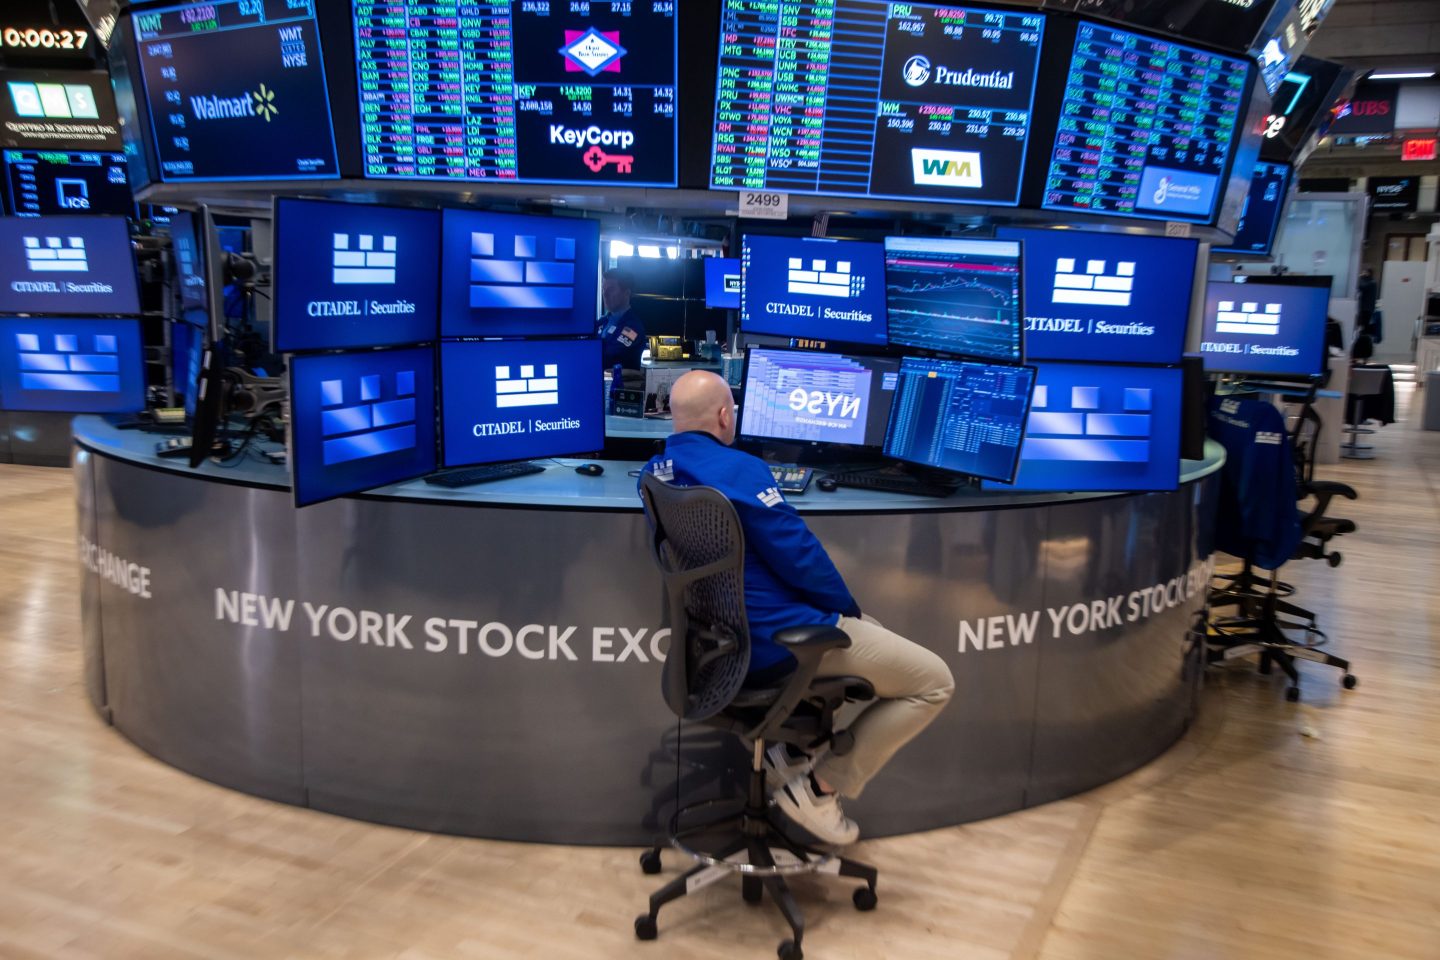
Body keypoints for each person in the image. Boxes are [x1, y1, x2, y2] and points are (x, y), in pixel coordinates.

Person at [639, 371, 954, 845]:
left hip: (715, 647)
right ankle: (820, 787)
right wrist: (849, 611)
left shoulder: (653, 475)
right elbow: (801, 558)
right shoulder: (742, 471)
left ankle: (787, 755)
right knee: (932, 682)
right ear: (726, 417)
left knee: (875, 642)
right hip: (780, 644)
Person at [598, 269, 645, 370]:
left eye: (610, 289)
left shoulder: (633, 327)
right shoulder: (603, 321)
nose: (605, 294)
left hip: (620, 384)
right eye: (603, 289)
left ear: (626, 293)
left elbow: (610, 355)